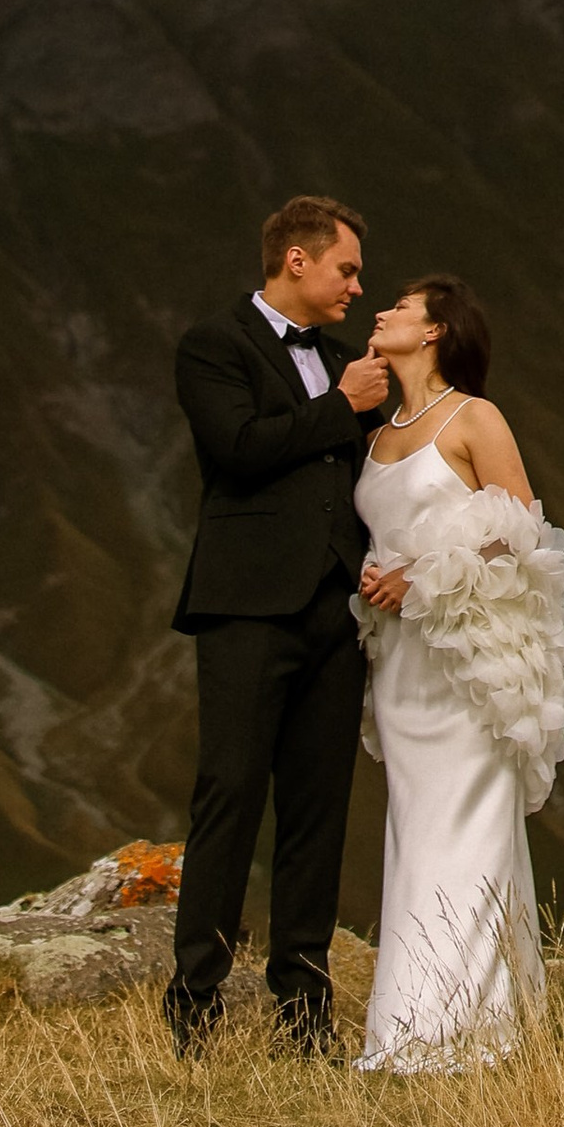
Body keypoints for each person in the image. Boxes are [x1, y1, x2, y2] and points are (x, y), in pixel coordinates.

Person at [165, 195, 390, 1052]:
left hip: (335, 612)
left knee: (317, 810)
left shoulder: (343, 360)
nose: (356, 288)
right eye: (346, 269)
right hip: (247, 607)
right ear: (296, 260)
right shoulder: (214, 346)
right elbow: (239, 450)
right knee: (228, 797)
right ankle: (196, 1007)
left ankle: (305, 1014)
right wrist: (342, 404)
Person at [353, 273, 564, 1071]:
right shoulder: (377, 437)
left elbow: (520, 531)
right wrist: (383, 585)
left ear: (437, 330)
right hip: (401, 666)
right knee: (413, 829)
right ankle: (417, 1024)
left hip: (465, 664)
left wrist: (421, 577)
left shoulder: (474, 417)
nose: (381, 312)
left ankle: (455, 1039)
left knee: (467, 825)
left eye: (400, 308)